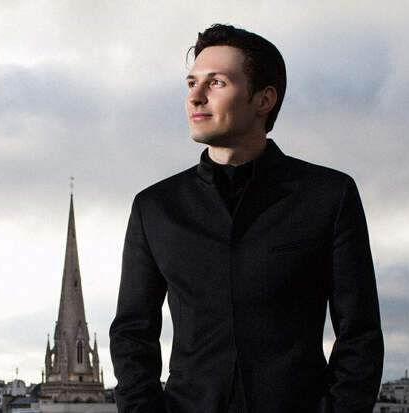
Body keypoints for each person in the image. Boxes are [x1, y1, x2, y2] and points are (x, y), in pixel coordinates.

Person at [109, 24, 383, 413]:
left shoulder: (329, 196)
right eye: (192, 83)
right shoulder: (155, 207)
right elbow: (131, 335)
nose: (195, 97)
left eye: (216, 82)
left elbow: (360, 335)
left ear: (264, 99)